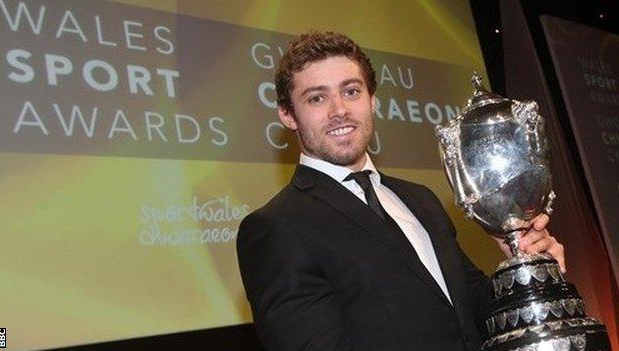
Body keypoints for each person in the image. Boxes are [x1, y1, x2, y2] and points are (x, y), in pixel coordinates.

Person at [237, 31, 565, 351]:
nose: (339, 110)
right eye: (317, 98)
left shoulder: (421, 199)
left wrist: (524, 269)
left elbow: (472, 314)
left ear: (372, 100)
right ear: (287, 114)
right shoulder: (275, 227)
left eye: (351, 91)